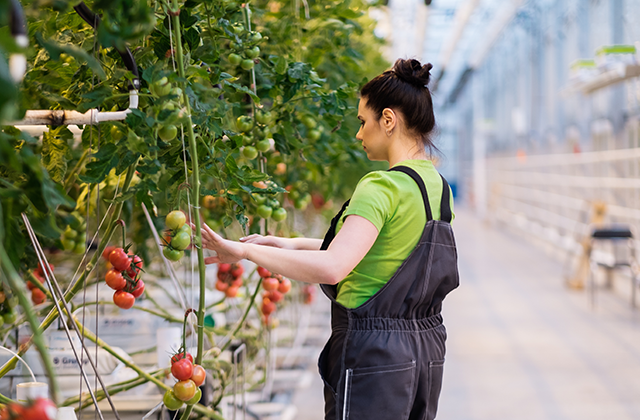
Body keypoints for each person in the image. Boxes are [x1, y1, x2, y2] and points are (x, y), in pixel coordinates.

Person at [200, 58, 459, 420]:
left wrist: (243, 251)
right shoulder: (436, 186)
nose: (358, 134)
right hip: (424, 350)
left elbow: (334, 266)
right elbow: (376, 253)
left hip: (374, 351)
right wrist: (283, 244)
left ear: (388, 120)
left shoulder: (381, 185)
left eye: (362, 121)